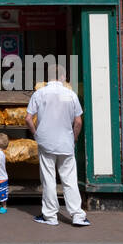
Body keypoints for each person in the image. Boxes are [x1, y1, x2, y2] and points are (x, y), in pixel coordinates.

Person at [25, 65, 89, 227]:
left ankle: (50, 216)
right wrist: (73, 138)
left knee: (48, 179)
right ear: (62, 77)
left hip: (46, 141)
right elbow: (78, 121)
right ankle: (77, 215)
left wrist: (36, 134)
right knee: (69, 179)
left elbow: (27, 118)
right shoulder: (70, 95)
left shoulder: (39, 93)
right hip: (66, 142)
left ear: (48, 77)